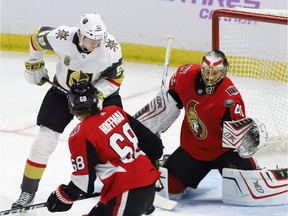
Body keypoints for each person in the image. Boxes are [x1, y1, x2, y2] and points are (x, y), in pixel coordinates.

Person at [12, 13, 125, 208]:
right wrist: (34, 64)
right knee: (43, 141)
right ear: (80, 34)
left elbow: (115, 79)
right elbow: (36, 37)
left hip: (97, 96)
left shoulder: (111, 48)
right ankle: (27, 191)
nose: (96, 44)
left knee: (112, 140)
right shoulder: (61, 37)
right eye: (91, 39)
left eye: (99, 40)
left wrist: (97, 94)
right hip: (62, 93)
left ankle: (122, 185)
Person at [134, 50, 265, 197]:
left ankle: (255, 171)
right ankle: (174, 162)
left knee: (251, 191)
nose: (209, 77)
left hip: (224, 153)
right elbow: (168, 104)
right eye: (206, 71)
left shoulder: (230, 98)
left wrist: (246, 138)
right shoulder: (185, 75)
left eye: (215, 73)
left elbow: (237, 139)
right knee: (167, 189)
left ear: (224, 71)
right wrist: (148, 128)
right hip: (193, 149)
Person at [46, 81, 163, 215]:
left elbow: (84, 183)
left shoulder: (80, 133)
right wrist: (151, 173)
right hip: (148, 184)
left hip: (125, 193)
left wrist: (62, 197)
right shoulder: (116, 111)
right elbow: (155, 146)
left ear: (71, 104)